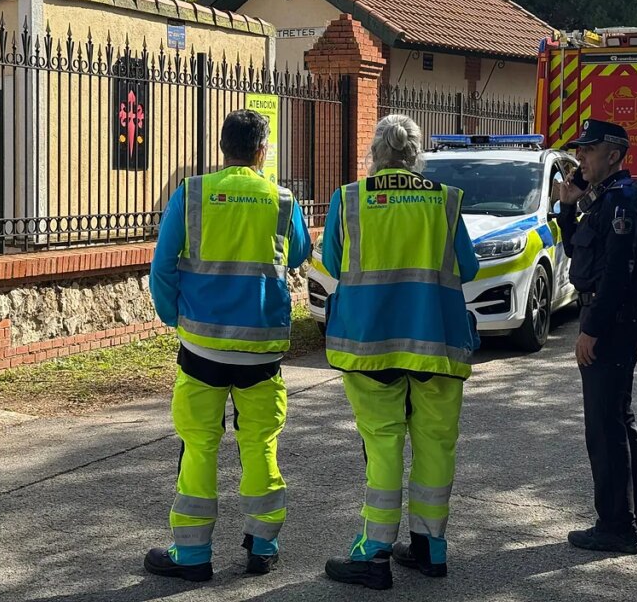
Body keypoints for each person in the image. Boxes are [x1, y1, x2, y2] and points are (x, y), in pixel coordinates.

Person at [146, 109, 311, 582]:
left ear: (222, 148)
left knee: (198, 446)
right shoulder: (282, 199)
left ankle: (193, 557)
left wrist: (173, 316)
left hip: (201, 348)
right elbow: (299, 252)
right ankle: (263, 548)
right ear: (262, 150)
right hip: (261, 349)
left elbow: (162, 267)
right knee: (260, 443)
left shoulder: (192, 194)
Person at [320, 114, 479, 591]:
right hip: (438, 344)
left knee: (384, 444)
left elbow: (332, 262)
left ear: (376, 153)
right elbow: (467, 268)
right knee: (435, 444)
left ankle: (374, 552)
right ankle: (431, 547)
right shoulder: (446, 202)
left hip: (371, 345)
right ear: (415, 155)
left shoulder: (350, 200)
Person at [555, 119, 637, 555]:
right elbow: (577, 250)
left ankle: (616, 527)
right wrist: (567, 205)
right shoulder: (604, 201)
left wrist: (592, 329)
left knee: (604, 427)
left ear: (613, 154)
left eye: (589, 151)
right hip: (611, 317)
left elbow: (618, 273)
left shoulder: (623, 202)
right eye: (580, 151)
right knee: (619, 420)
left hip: (611, 321)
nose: (581, 158)